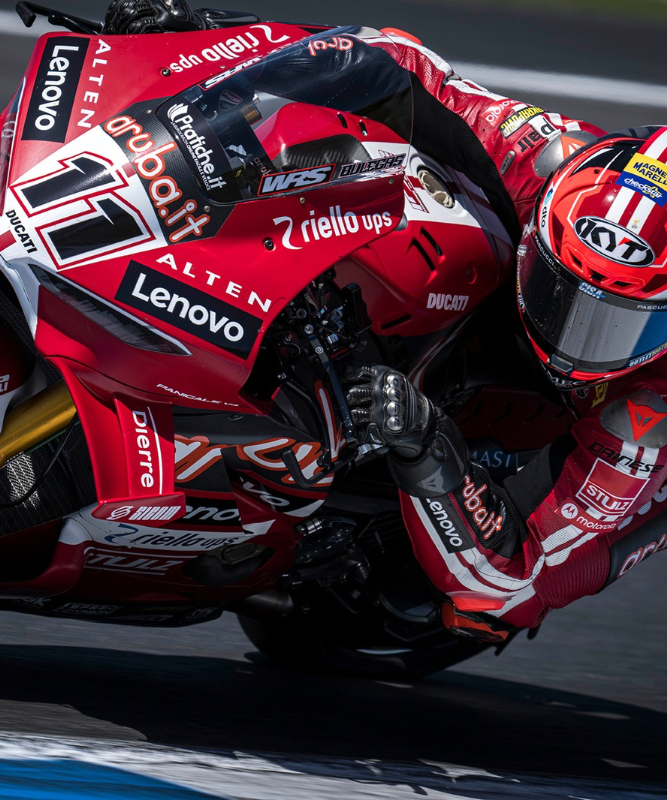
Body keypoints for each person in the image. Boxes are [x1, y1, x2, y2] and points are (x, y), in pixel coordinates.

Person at [102, 0, 667, 642]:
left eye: (621, 322)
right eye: (562, 292)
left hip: (577, 467)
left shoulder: (650, 416)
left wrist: (428, 447)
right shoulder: (550, 163)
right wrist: (207, 32)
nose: (573, 340)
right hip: (490, 305)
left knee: (456, 606)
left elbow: (515, 580)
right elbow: (393, 60)